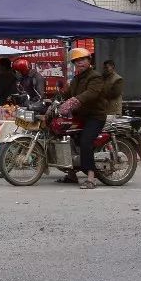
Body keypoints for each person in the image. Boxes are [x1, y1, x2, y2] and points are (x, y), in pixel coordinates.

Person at [60, 47, 106, 189]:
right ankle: (71, 174)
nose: (79, 63)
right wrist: (59, 98)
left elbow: (91, 94)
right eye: (76, 61)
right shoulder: (76, 79)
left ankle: (91, 178)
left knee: (86, 141)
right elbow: (68, 94)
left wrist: (74, 101)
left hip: (95, 116)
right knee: (66, 138)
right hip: (80, 116)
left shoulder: (95, 77)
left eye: (82, 59)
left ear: (89, 60)